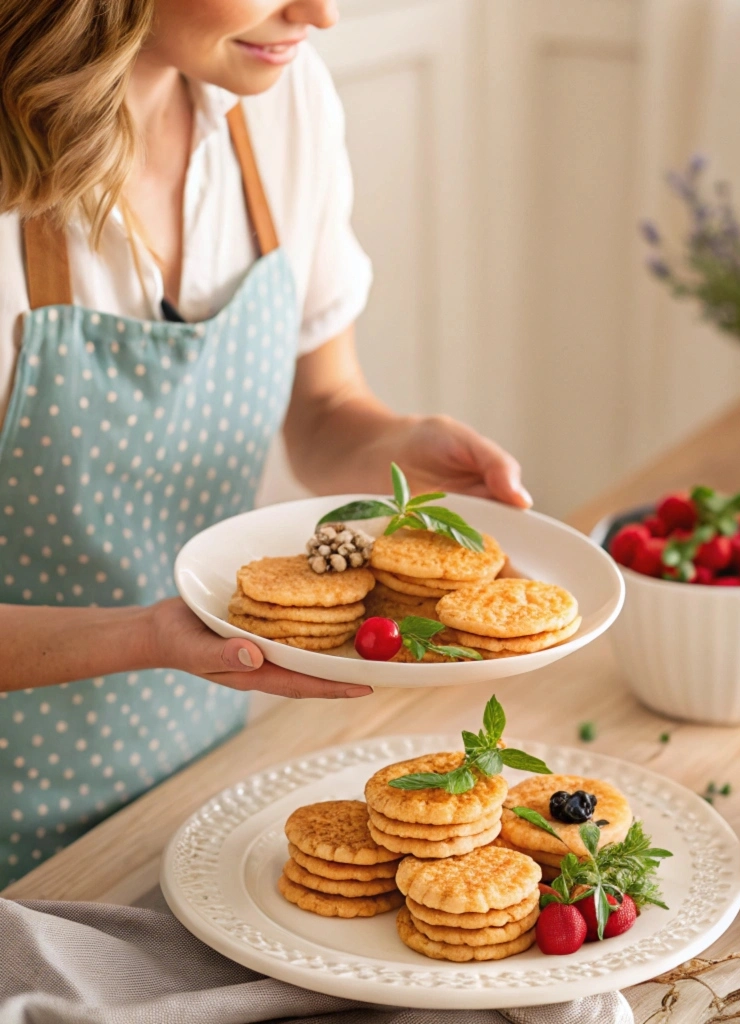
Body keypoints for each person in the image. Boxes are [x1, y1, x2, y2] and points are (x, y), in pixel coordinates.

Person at [0, 0, 530, 887]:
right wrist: (151, 637)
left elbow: (323, 408)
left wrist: (400, 454)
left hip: (199, 793)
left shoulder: (280, 104)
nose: (321, 14)